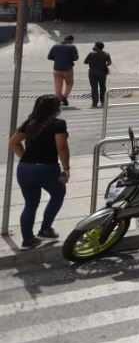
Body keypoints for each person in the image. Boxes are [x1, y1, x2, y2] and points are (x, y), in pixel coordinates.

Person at [8, 95, 70, 249]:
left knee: (30, 204)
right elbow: (61, 147)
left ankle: (28, 239)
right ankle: (46, 229)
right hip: (47, 168)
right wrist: (66, 168)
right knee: (58, 193)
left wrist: (26, 157)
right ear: (55, 109)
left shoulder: (29, 123)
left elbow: (13, 142)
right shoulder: (58, 124)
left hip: (24, 169)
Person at [47, 35, 79, 107]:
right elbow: (76, 58)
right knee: (69, 83)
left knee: (58, 86)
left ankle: (58, 100)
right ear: (71, 40)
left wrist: (58, 59)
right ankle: (64, 96)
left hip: (57, 69)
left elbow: (49, 57)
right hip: (68, 69)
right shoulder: (72, 47)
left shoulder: (55, 46)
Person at [83, 41, 112, 109]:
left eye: (95, 45)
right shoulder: (106, 54)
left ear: (96, 47)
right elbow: (110, 62)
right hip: (102, 72)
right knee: (103, 87)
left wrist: (92, 62)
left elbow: (85, 62)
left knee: (94, 88)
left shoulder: (91, 54)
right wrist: (104, 65)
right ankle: (103, 102)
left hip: (92, 72)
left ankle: (94, 103)